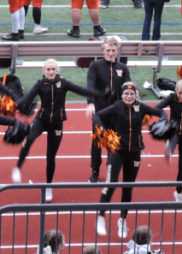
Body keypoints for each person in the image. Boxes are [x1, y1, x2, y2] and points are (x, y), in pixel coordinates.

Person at [12, 59, 98, 202]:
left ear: (57, 70)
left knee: (50, 156)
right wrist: (14, 105)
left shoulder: (63, 83)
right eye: (48, 69)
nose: (51, 72)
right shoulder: (40, 84)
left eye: (53, 69)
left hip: (57, 123)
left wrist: (96, 96)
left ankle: (48, 186)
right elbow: (26, 98)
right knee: (29, 140)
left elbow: (80, 90)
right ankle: (18, 167)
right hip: (41, 120)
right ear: (44, 71)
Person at [93, 82, 166, 239]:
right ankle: (100, 216)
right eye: (126, 94)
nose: (129, 96)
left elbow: (161, 112)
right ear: (122, 95)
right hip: (117, 150)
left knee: (128, 187)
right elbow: (97, 115)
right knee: (110, 183)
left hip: (134, 151)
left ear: (136, 95)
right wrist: (102, 129)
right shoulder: (117, 106)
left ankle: (122, 219)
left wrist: (163, 121)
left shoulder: (141, 107)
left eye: (132, 94)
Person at [86, 36, 131, 182]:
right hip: (99, 111)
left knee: (114, 142)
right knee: (97, 141)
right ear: (103, 51)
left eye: (113, 50)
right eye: (108, 50)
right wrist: (91, 103)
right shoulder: (95, 65)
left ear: (117, 51)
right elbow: (90, 86)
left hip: (116, 111)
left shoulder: (123, 68)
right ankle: (95, 170)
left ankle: (111, 168)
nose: (110, 53)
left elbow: (127, 87)